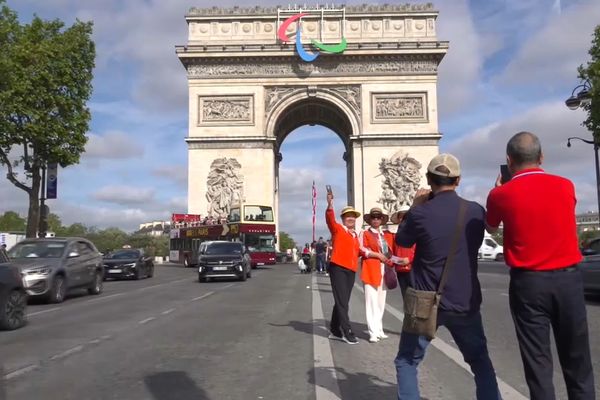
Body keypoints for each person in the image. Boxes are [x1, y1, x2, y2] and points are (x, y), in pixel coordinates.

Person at [486, 132, 595, 400]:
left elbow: (490, 226)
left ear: (509, 161)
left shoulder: (500, 194)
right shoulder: (565, 185)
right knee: (578, 361)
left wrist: (499, 189)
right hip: (568, 281)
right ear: (542, 157)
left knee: (538, 364)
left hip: (528, 284)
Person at [394, 153, 500, 400]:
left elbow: (401, 240)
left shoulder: (420, 214)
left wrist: (415, 206)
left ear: (428, 179)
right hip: (464, 300)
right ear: (458, 180)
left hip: (424, 301)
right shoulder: (475, 211)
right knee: (481, 363)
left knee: (407, 361)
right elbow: (494, 227)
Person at [326, 188, 364, 345]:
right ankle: (347, 331)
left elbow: (359, 251)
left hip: (350, 270)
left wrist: (378, 256)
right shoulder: (338, 229)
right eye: (348, 216)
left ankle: (334, 329)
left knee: (342, 300)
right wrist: (330, 204)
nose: (351, 219)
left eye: (353, 217)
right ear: (343, 218)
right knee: (342, 301)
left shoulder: (355, 235)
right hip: (338, 268)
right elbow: (330, 219)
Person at [359, 207, 392, 343]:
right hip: (370, 268)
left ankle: (379, 328)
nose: (376, 220)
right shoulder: (364, 233)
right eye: (374, 218)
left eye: (378, 218)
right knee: (371, 301)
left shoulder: (385, 235)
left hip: (384, 270)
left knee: (380, 301)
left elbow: (390, 251)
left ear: (382, 220)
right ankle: (372, 331)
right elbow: (361, 248)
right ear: (370, 220)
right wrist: (376, 254)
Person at [389, 205, 415, 296]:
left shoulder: (417, 233)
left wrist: (410, 259)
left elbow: (422, 250)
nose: (403, 219)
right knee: (405, 297)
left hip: (414, 269)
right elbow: (391, 253)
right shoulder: (394, 236)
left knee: (415, 298)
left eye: (405, 216)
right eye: (401, 216)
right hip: (400, 270)